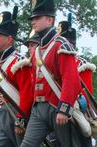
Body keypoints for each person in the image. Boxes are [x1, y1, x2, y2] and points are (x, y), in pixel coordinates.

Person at [20, 0, 81, 146]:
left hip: (57, 106)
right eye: (33, 19)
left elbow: (71, 79)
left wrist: (64, 108)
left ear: (49, 20)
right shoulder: (38, 50)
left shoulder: (60, 45)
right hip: (38, 109)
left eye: (37, 18)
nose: (33, 22)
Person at [0, 6, 34, 147]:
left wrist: (21, 118)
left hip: (17, 113)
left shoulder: (19, 62)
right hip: (1, 115)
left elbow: (27, 92)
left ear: (9, 40)